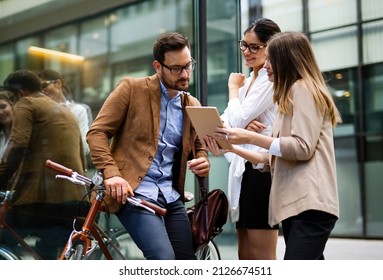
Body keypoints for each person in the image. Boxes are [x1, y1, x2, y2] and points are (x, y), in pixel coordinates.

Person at [213, 31, 342, 260]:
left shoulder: (301, 89)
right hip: (300, 205)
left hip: (309, 205)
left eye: (271, 59)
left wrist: (250, 137)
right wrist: (233, 147)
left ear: (287, 59)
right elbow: (270, 158)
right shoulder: (289, 95)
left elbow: (301, 148)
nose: (266, 66)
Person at [86, 32, 210, 260]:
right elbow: (97, 133)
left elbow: (198, 144)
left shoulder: (191, 104)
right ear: (157, 66)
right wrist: (112, 174)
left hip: (171, 196)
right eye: (176, 69)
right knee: (163, 260)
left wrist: (202, 158)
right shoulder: (131, 89)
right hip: (134, 193)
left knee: (187, 262)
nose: (184, 74)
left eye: (188, 66)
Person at [202, 18, 280, 260]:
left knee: (262, 258)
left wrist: (233, 89)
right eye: (244, 45)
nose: (247, 51)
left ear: (272, 47)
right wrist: (241, 123)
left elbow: (233, 122)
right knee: (244, 254)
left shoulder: (269, 78)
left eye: (254, 46)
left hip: (262, 173)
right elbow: (224, 122)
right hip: (244, 172)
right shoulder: (249, 81)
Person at [0, 69, 88, 259]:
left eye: (11, 98)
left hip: (43, 199)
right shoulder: (64, 110)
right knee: (46, 252)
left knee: (3, 238)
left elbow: (17, 146)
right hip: (75, 198)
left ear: (20, 93)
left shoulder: (26, 103)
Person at [36, 69, 92, 159]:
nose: (42, 91)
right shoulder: (39, 114)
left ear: (58, 83)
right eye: (39, 89)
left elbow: (85, 147)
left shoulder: (77, 110)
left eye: (44, 85)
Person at [0, 90, 14, 157]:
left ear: (12, 106)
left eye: (3, 107)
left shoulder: (22, 134)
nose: (0, 113)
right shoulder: (1, 135)